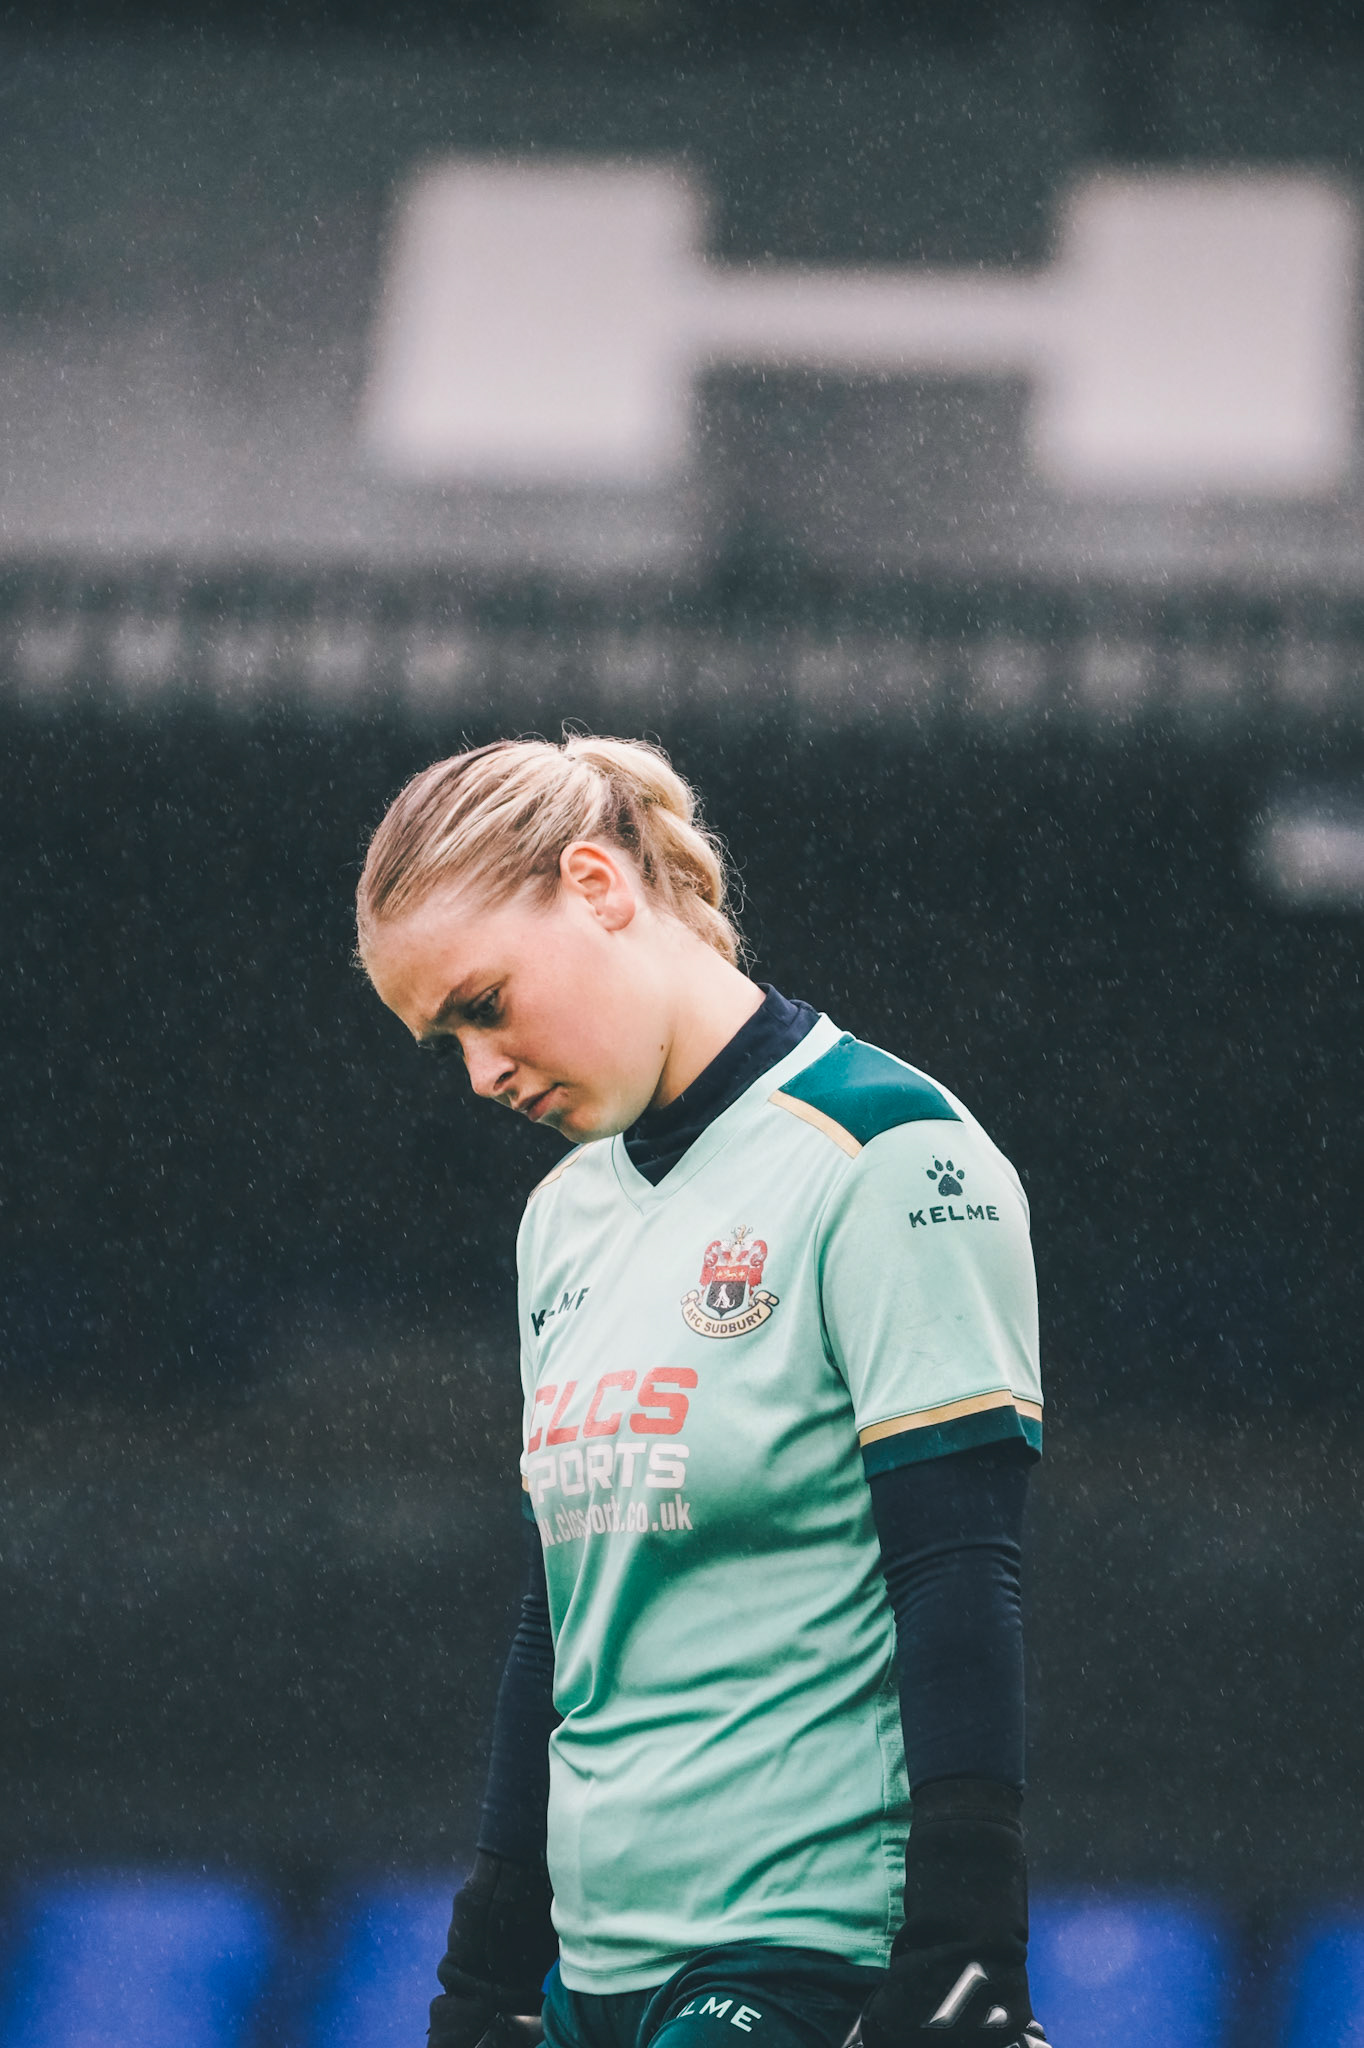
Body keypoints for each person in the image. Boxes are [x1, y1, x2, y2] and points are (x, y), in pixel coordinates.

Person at [356, 734, 1049, 2048]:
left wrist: (970, 1954)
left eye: (485, 1005)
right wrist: (490, 1972)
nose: (481, 1072)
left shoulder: (891, 1156)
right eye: (446, 1041)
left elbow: (961, 1574)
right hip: (590, 1980)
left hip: (803, 1963)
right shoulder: (561, 1218)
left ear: (598, 885)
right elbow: (558, 1624)